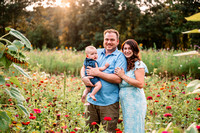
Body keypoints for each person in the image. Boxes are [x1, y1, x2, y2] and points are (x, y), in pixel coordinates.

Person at [80, 29, 127, 132]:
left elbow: (118, 79)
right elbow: (83, 67)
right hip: (92, 102)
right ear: (103, 40)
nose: (109, 42)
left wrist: (98, 73)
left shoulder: (120, 57)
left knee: (109, 131)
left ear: (117, 41)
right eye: (106, 39)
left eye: (112, 39)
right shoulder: (96, 52)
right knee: (90, 131)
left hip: (109, 103)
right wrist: (83, 77)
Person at [114, 39, 148, 133]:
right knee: (128, 127)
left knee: (135, 127)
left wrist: (123, 76)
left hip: (135, 101)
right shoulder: (124, 64)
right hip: (126, 102)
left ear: (135, 50)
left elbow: (140, 84)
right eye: (125, 48)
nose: (127, 51)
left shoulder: (138, 64)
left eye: (130, 48)